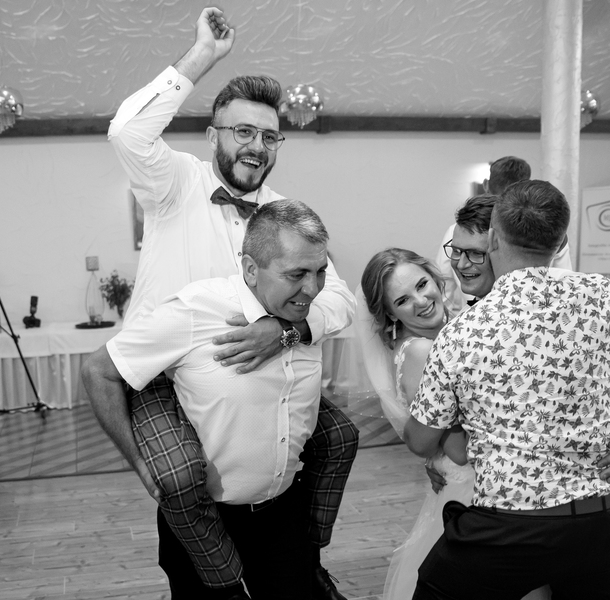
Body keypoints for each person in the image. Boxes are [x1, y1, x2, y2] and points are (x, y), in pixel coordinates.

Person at [96, 8, 357, 599]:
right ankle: (219, 583)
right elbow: (126, 132)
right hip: (165, 373)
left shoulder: (283, 214)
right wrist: (204, 55)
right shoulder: (175, 183)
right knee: (181, 479)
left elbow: (339, 299)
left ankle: (305, 560)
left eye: (269, 136)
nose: (256, 146)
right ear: (213, 136)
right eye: (242, 131)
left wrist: (285, 332)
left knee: (339, 437)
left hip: (258, 368)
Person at [403, 180, 610, 599]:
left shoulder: (461, 332)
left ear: (494, 238)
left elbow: (420, 440)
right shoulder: (602, 296)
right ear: (561, 241)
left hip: (510, 525)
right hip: (599, 521)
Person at [83, 200, 334, 599]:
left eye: (320, 271)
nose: (314, 288)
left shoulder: (312, 313)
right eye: (297, 274)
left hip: (284, 515)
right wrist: (138, 461)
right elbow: (99, 371)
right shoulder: (196, 311)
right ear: (250, 269)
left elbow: (344, 305)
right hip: (203, 522)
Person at [357, 248, 549, 600]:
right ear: (390, 314)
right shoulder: (420, 352)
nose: (420, 301)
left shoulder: (455, 330)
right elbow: (458, 450)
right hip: (474, 489)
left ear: (435, 278)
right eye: (402, 300)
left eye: (421, 285)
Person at [434, 157, 571, 314]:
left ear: (496, 244)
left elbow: (445, 286)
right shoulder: (459, 230)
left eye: (476, 253)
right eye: (456, 251)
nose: (461, 264)